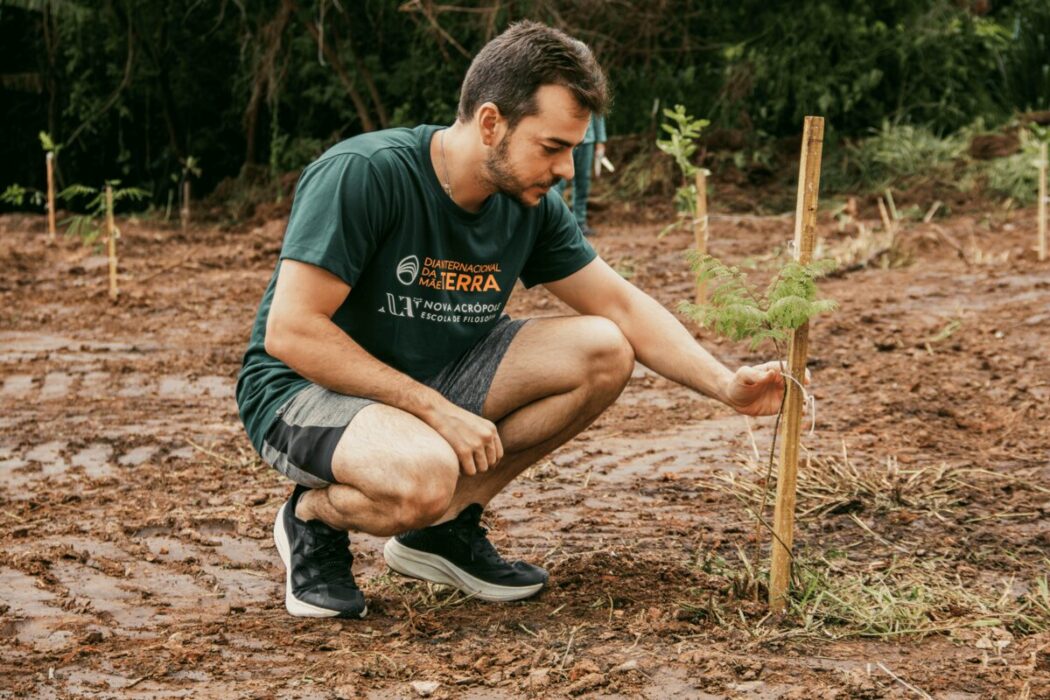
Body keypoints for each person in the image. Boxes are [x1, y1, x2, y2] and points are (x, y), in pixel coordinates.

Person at [236, 21, 792, 620]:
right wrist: (434, 410)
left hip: (434, 374)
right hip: (304, 390)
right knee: (423, 473)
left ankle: (442, 529)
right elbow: (292, 332)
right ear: (491, 123)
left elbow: (622, 306)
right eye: (552, 147)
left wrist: (725, 386)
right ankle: (312, 520)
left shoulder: (529, 206)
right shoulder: (365, 173)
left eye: (573, 149)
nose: (567, 170)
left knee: (605, 349)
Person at [553, 114, 606, 236]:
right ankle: (555, 224)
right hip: (563, 137)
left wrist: (600, 141)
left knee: (583, 182)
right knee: (558, 183)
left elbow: (598, 112)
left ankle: (580, 223)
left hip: (587, 140)